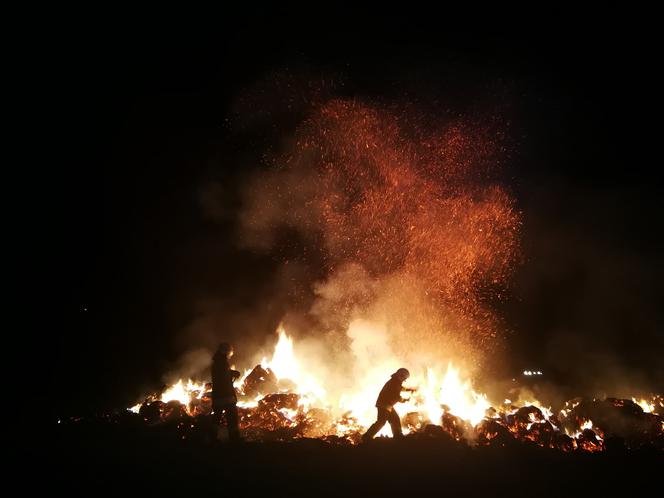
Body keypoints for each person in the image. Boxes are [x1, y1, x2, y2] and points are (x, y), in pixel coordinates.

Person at [362, 368, 415, 442]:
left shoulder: (394, 381)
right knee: (381, 422)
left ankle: (398, 435)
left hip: (387, 405)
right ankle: (367, 436)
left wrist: (408, 390)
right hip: (384, 405)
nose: (404, 380)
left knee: (395, 419)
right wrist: (405, 400)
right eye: (404, 378)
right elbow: (396, 396)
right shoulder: (395, 382)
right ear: (401, 376)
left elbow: (399, 388)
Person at [211, 342, 242, 442]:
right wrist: (233, 373)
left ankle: (212, 438)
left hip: (217, 396)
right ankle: (234, 438)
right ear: (226, 351)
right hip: (226, 396)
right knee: (232, 418)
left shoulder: (217, 361)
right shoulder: (222, 362)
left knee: (216, 418)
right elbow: (223, 377)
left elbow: (222, 374)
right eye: (230, 353)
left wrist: (231, 373)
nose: (230, 355)